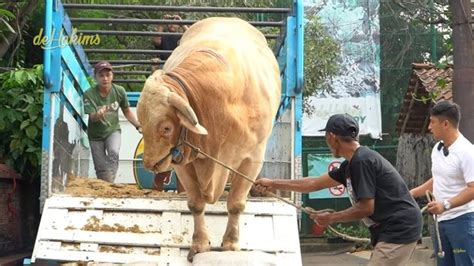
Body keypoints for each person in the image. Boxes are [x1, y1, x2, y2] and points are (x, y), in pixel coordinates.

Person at [255, 114, 422, 266]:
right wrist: (273, 183)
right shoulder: (350, 164)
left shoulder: (361, 161)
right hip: (391, 227)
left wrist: (331, 218)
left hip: (400, 227)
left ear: (331, 137)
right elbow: (313, 183)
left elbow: (365, 208)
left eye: (326, 137)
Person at [410, 101, 474, 266]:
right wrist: (411, 193)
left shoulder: (466, 152)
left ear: (445, 124)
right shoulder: (437, 149)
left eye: (433, 122)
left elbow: (473, 188)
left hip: (462, 222)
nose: (429, 127)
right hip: (440, 223)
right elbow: (438, 179)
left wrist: (445, 205)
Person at [83, 61, 141, 183]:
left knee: (113, 152)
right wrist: (98, 114)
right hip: (95, 135)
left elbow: (127, 111)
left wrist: (137, 125)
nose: (105, 78)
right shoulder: (89, 94)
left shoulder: (119, 91)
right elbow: (92, 117)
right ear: (95, 77)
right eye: (101, 75)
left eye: (108, 75)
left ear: (112, 76)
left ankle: (110, 183)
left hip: (113, 130)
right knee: (100, 167)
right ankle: (105, 186)